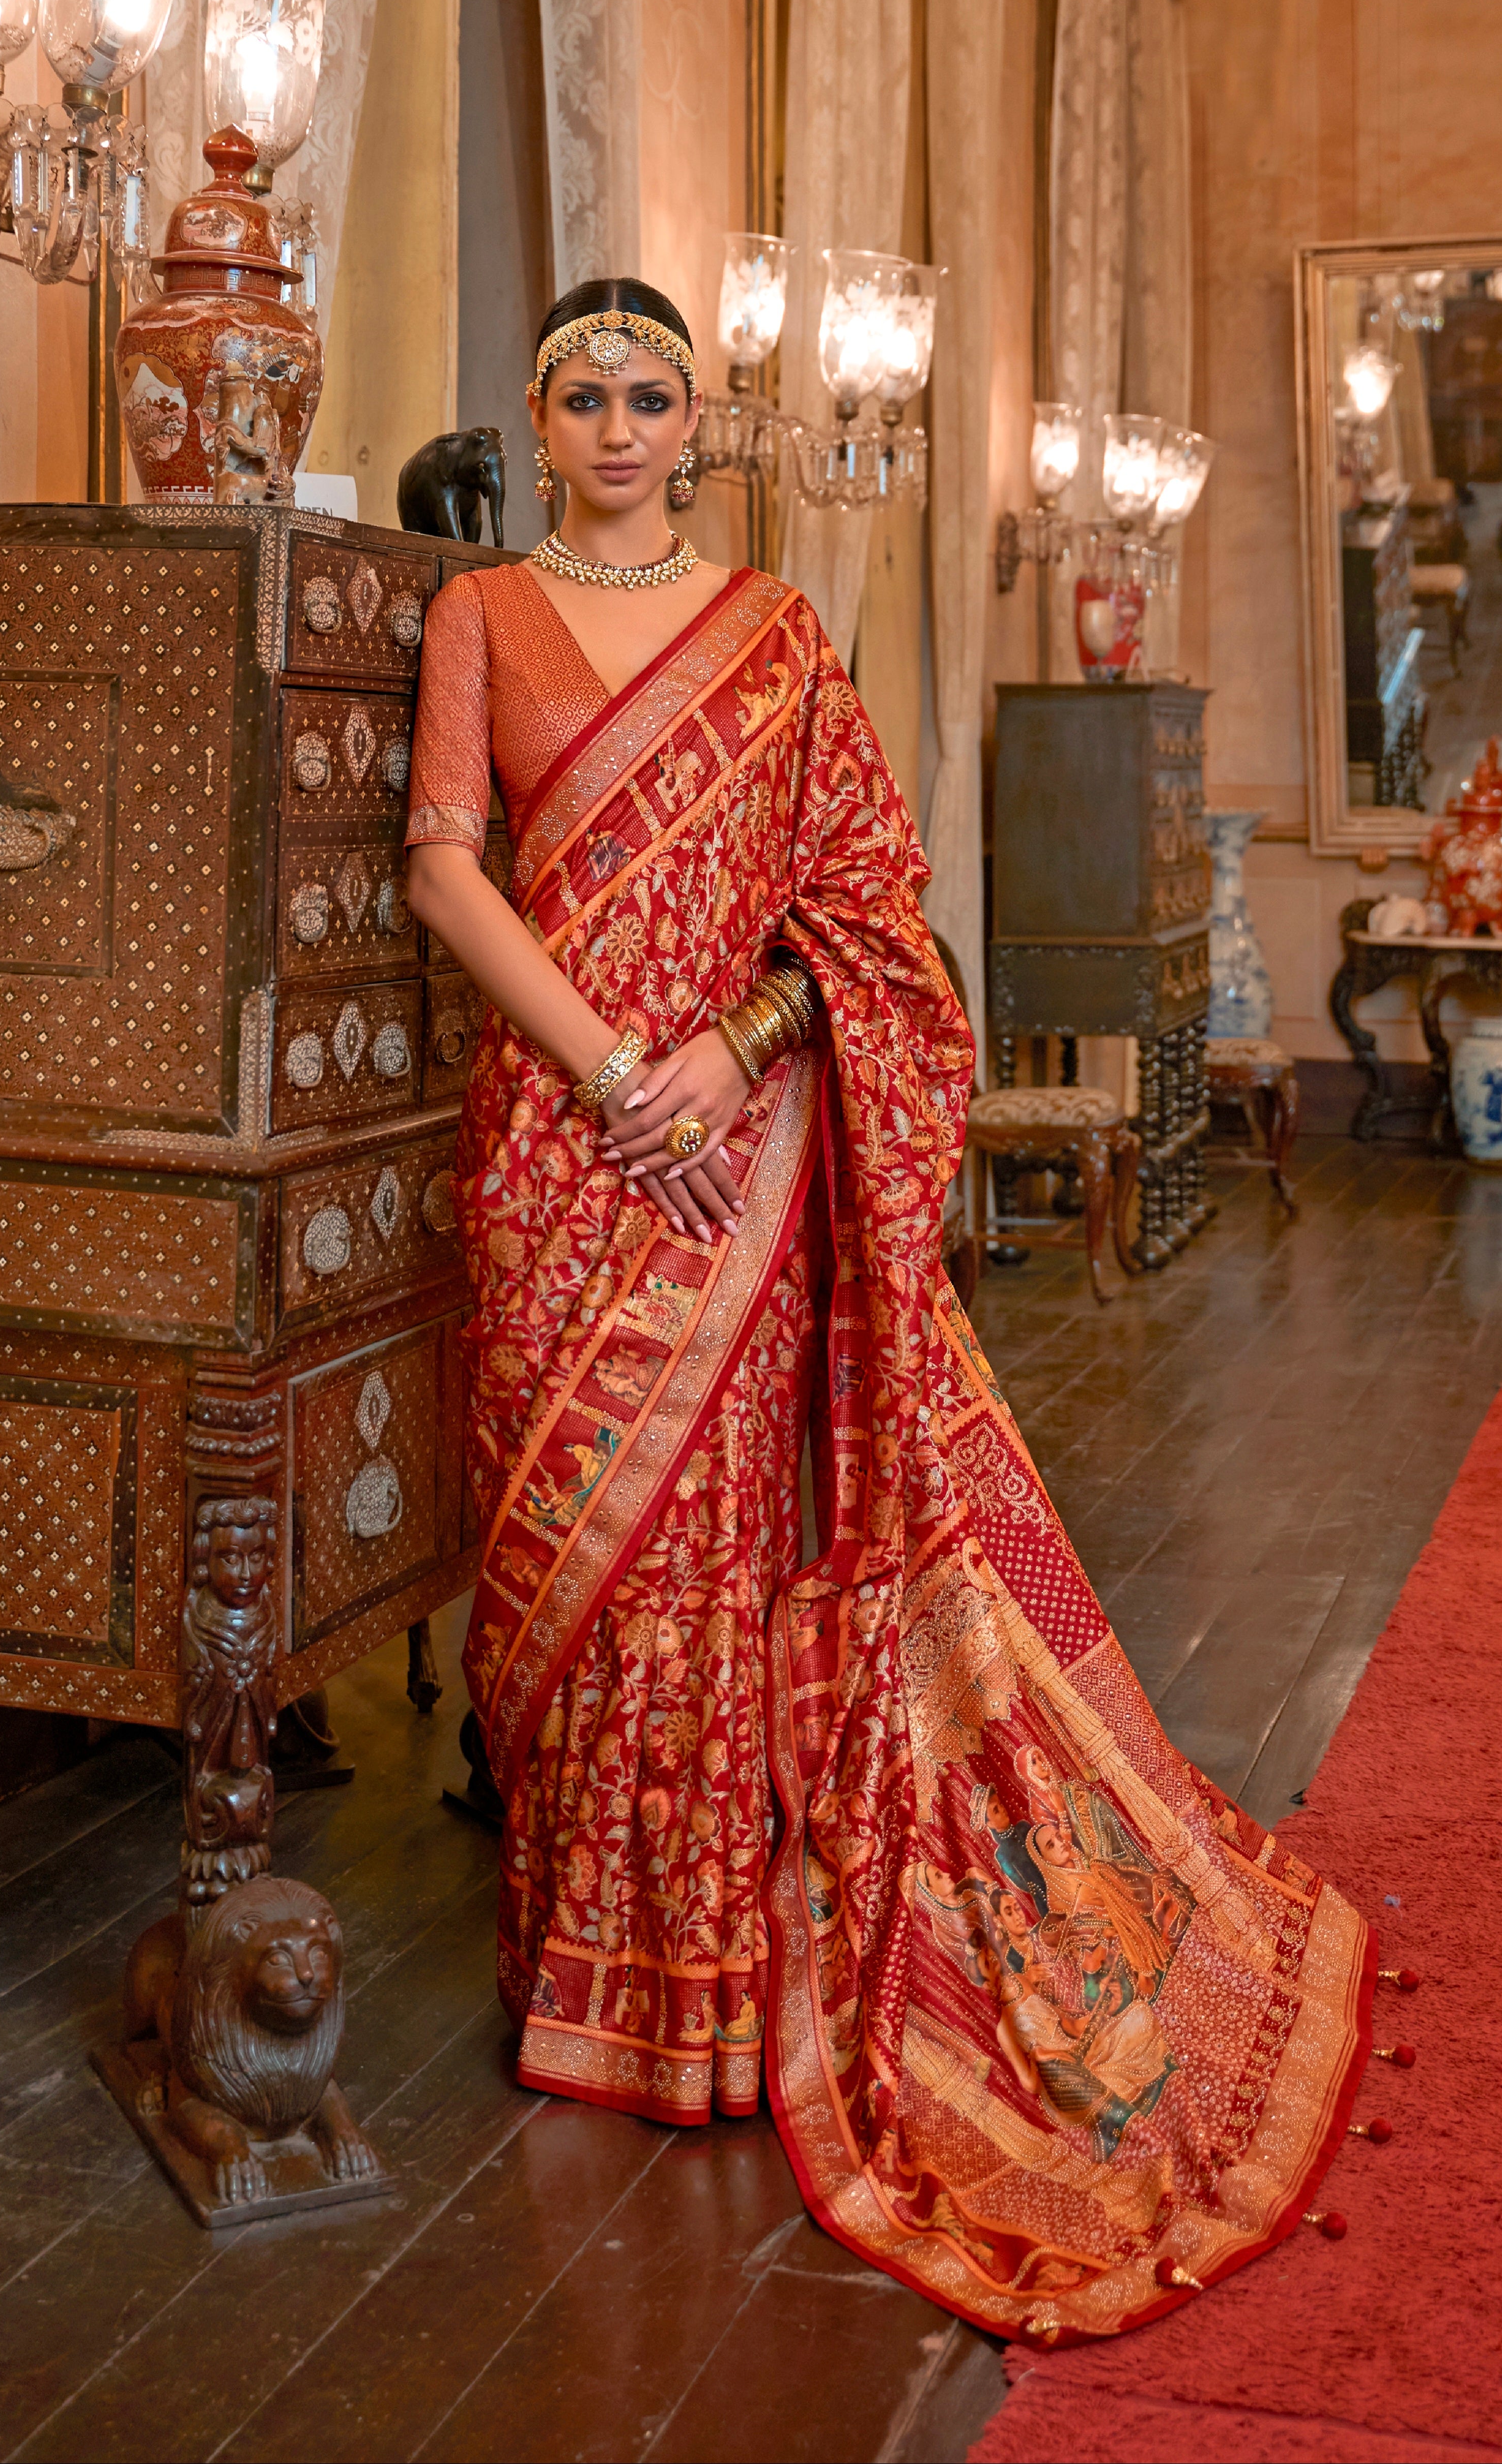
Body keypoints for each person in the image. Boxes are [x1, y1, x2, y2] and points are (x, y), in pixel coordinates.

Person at [404, 275, 1381, 2345]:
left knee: (724, 1534)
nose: (615, 420)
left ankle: (719, 1981)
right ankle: (588, 1973)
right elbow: (441, 870)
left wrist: (734, 1055)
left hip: (739, 1150)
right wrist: (606, 1068)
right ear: (535, 410)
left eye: (651, 391)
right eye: (580, 391)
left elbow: (868, 908)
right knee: (570, 1546)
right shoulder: (479, 613)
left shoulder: (777, 636)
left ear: (701, 417)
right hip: (560, 1148)